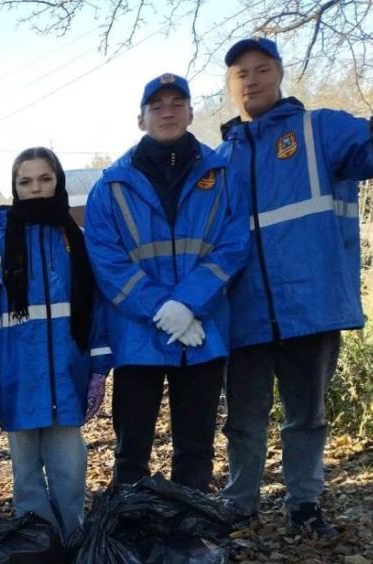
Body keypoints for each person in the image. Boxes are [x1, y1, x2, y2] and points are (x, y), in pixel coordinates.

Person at [217, 38, 373, 536]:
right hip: (243, 311)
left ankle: (304, 504)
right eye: (241, 74)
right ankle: (239, 503)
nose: (252, 80)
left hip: (310, 304)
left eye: (261, 69)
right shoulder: (219, 158)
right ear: (231, 86)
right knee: (243, 419)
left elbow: (371, 151)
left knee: (305, 415)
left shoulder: (320, 129)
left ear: (280, 74)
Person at [85, 73, 250, 494]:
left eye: (177, 103)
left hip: (202, 331)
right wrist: (165, 310)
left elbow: (233, 245)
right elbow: (107, 260)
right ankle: (131, 532)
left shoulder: (223, 174)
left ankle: (186, 537)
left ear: (192, 113)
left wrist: (190, 304)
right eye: (157, 106)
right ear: (140, 119)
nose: (168, 112)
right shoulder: (111, 185)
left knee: (195, 449)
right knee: (131, 450)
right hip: (139, 335)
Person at [0, 147, 112, 541]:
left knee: (70, 473)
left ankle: (71, 549)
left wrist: (97, 371)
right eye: (26, 182)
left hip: (67, 377)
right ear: (14, 187)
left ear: (57, 181)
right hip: (16, 383)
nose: (36, 189)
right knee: (25, 479)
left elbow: (98, 310)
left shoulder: (79, 242)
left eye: (45, 179)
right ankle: (37, 550)